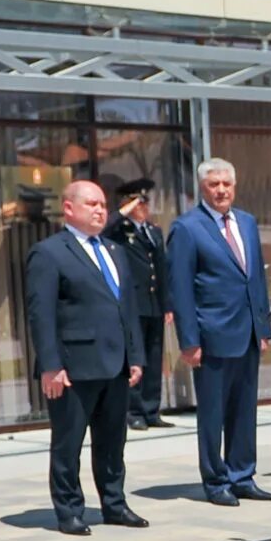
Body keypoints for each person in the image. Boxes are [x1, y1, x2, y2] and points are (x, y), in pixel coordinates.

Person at [25, 179, 148, 536]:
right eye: (91, 204)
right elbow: (40, 314)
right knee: (69, 442)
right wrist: (51, 365)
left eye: (102, 205)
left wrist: (135, 356)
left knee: (113, 441)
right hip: (73, 366)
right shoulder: (49, 253)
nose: (100, 210)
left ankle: (115, 503)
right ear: (68, 209)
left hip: (115, 363)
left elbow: (128, 308)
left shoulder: (115, 249)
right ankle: (69, 510)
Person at [167, 157, 271, 505]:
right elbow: (180, 288)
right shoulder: (187, 228)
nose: (221, 190)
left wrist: (264, 327)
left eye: (227, 184)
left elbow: (256, 278)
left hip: (248, 334)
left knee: (245, 410)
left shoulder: (247, 222)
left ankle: (242, 475)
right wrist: (189, 340)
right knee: (213, 413)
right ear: (202, 187)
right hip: (211, 337)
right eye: (214, 184)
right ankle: (215, 481)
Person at [105, 178, 174, 430]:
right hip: (133, 304)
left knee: (155, 357)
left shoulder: (153, 231)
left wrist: (167, 304)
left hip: (153, 303)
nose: (144, 206)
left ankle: (151, 409)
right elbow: (104, 227)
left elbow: (162, 269)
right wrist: (123, 210)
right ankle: (133, 410)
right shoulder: (119, 230)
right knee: (137, 357)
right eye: (138, 202)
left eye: (145, 202)